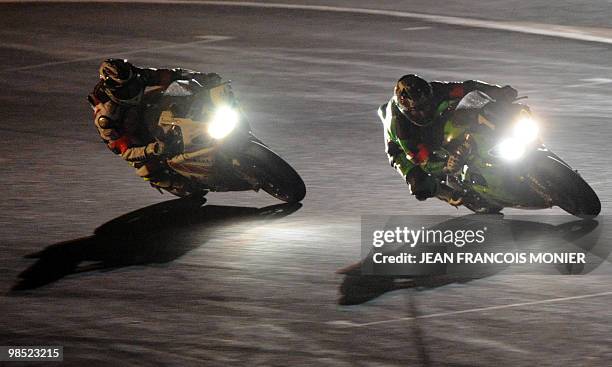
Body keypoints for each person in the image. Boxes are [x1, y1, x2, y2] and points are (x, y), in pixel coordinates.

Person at [88, 58, 221, 196]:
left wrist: (203, 77)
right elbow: (125, 151)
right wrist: (154, 149)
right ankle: (169, 183)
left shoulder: (137, 76)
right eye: (126, 90)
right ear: (111, 90)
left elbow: (171, 74)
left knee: (173, 90)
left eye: (132, 86)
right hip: (126, 130)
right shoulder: (106, 118)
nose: (132, 91)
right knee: (145, 166)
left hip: (143, 107)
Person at [378, 74, 517, 201]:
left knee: (465, 115)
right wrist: (446, 166)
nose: (424, 112)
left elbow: (468, 87)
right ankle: (448, 194)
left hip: (436, 120)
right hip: (400, 145)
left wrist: (498, 91)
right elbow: (425, 162)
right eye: (418, 110)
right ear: (406, 110)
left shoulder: (436, 90)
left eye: (426, 106)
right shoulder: (402, 128)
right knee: (419, 184)